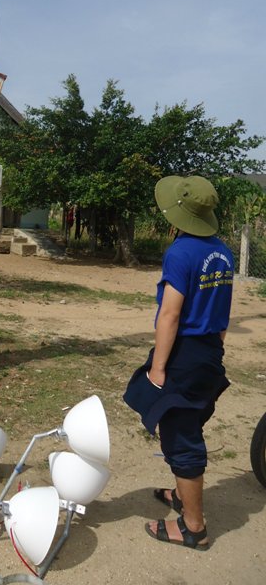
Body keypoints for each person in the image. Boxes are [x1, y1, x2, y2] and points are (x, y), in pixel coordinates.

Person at [123, 175, 234, 551]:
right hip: (208, 353)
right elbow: (221, 310)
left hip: (184, 354)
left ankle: (193, 527)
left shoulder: (181, 253)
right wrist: (213, 349)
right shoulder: (222, 251)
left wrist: (158, 369)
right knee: (187, 415)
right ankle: (182, 493)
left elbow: (169, 315)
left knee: (180, 434)